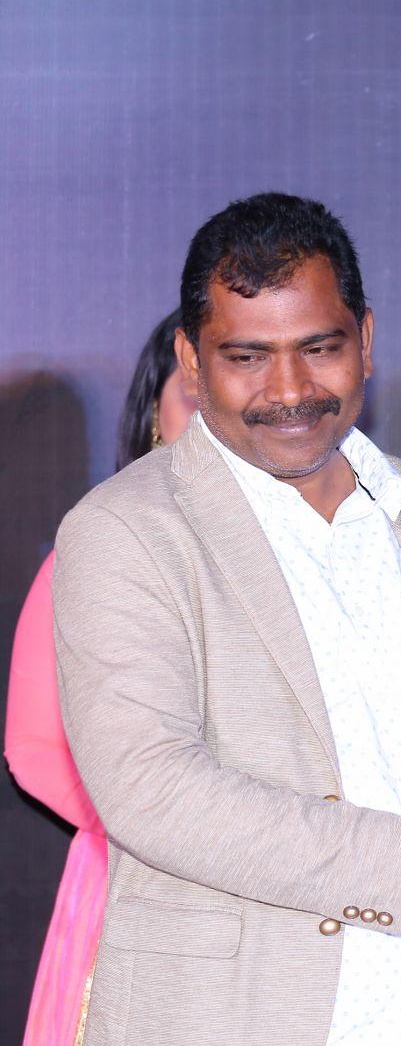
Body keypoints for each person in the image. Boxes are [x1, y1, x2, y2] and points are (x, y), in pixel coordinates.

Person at [52, 193, 401, 1046]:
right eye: (247, 356)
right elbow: (153, 789)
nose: (291, 390)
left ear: (366, 340)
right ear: (190, 360)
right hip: (237, 1019)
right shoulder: (125, 530)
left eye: (320, 347)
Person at [5, 309, 195, 1046]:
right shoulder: (91, 553)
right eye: (192, 394)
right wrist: (152, 825)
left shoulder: (304, 562)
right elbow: (34, 746)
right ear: (152, 414)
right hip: (132, 881)